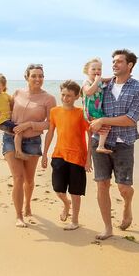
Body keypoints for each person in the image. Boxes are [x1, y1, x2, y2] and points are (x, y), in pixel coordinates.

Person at [89, 49, 139, 240]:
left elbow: (131, 119)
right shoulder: (103, 86)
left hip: (124, 143)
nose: (114, 64)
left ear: (129, 65)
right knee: (102, 184)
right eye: (113, 61)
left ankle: (127, 206)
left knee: (123, 187)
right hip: (100, 141)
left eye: (119, 62)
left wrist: (104, 120)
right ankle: (107, 227)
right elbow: (88, 101)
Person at [0, 64, 56, 228]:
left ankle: (28, 204)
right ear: (27, 77)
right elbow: (6, 112)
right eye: (34, 76)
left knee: (29, 180)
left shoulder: (49, 99)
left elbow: (50, 124)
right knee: (18, 177)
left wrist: (30, 124)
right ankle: (19, 216)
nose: (38, 79)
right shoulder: (17, 93)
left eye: (41, 76)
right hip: (11, 138)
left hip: (33, 142)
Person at [41, 80, 92, 231]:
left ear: (77, 96)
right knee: (58, 189)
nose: (65, 98)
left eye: (69, 96)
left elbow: (91, 137)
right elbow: (50, 133)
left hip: (77, 157)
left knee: (75, 192)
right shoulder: (54, 111)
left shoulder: (82, 113)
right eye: (63, 95)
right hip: (59, 154)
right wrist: (44, 154)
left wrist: (89, 159)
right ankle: (66, 204)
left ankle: (75, 220)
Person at [81, 58, 112, 154]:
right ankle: (100, 146)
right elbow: (89, 92)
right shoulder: (87, 82)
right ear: (87, 71)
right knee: (106, 124)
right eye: (93, 69)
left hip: (97, 110)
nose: (97, 71)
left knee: (105, 126)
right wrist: (97, 81)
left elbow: (108, 79)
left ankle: (99, 143)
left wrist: (117, 77)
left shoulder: (98, 79)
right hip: (90, 111)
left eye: (99, 69)